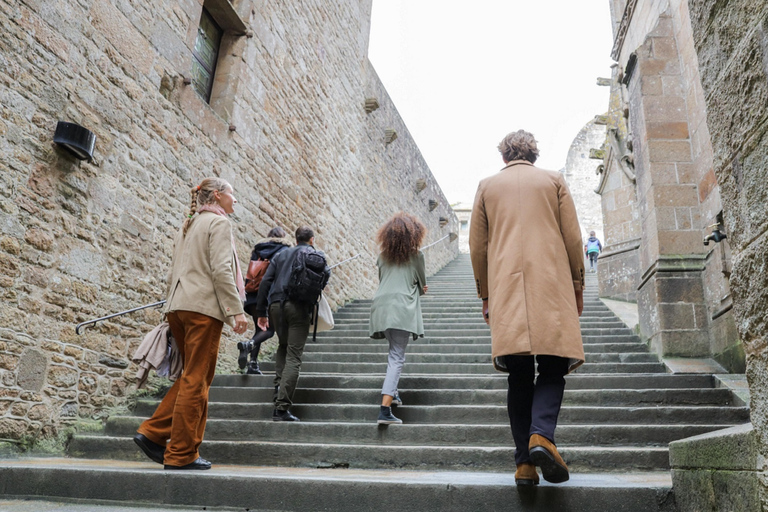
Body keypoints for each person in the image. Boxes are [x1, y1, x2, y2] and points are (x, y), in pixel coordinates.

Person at [469, 130, 585, 486]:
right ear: (534, 155)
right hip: (551, 287)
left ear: (504, 156)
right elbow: (573, 238)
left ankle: (524, 465)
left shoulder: (487, 187)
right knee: (552, 368)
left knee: (519, 376)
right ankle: (542, 436)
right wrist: (578, 286)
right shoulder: (553, 181)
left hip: (506, 290)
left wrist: (486, 295)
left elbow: (478, 248)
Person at [134, 177, 248, 470]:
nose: (235, 200)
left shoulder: (189, 224)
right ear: (219, 196)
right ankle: (181, 454)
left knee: (192, 378)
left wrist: (169, 307)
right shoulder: (219, 224)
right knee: (197, 381)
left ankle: (154, 433)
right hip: (203, 310)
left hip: (178, 307)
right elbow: (221, 270)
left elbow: (174, 271)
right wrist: (235, 310)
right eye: (232, 195)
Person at [255, 226, 330, 421]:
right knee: (294, 356)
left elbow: (265, 282)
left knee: (283, 346)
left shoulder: (281, 255)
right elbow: (325, 277)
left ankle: (278, 391)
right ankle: (281, 407)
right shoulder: (316, 255)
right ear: (312, 240)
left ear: (296, 240)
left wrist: (261, 311)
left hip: (275, 306)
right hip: (298, 308)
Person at [368, 213, 428, 425]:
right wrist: (421, 287)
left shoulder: (382, 257)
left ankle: (394, 392)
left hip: (381, 306)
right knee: (397, 356)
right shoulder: (417, 256)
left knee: (393, 350)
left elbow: (385, 281)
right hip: (401, 308)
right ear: (414, 235)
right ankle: (384, 410)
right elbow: (421, 286)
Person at [239, 227, 293, 374]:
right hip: (270, 294)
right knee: (269, 330)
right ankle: (248, 344)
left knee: (259, 329)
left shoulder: (258, 249)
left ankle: (253, 364)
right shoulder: (285, 250)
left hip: (252, 294)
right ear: (283, 237)